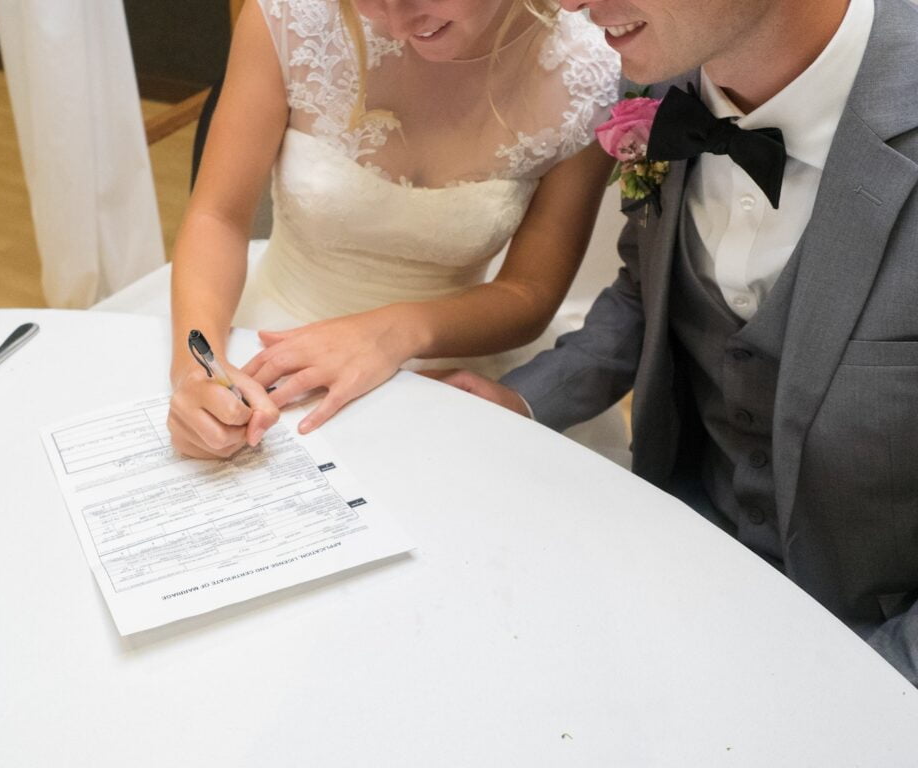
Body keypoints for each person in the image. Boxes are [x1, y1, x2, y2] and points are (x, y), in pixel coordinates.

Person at [445, 0, 918, 685]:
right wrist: (518, 403)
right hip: (679, 582)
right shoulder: (663, 81)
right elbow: (648, 293)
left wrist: (860, 702)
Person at [166, 0, 623, 459]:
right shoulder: (290, 16)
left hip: (450, 365)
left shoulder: (590, 80)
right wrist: (196, 367)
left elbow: (529, 293)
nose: (400, 24)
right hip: (267, 339)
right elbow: (218, 218)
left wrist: (393, 333)